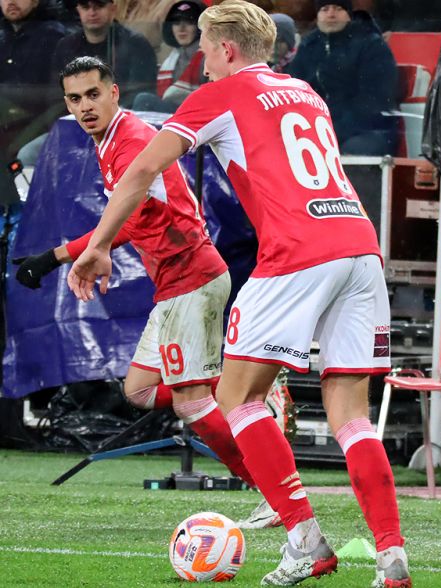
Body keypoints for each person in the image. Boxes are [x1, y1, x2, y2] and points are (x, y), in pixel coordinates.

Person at [64, 2, 411, 586]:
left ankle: (305, 539)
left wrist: (97, 245)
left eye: (204, 46)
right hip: (358, 245)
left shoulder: (219, 93)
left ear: (226, 48)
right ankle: (392, 558)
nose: (200, 58)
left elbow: (144, 170)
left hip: (297, 253)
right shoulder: (305, 91)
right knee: (352, 415)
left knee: (237, 398)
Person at [13, 56, 282, 529]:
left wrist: (61, 255)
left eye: (93, 94)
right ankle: (251, 393)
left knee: (190, 403)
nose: (84, 107)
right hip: (174, 283)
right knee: (138, 391)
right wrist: (70, 254)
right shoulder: (109, 140)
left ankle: (272, 491)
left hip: (192, 276)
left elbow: (132, 217)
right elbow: (134, 217)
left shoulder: (133, 140)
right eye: (75, 99)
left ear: (114, 92)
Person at [288, 0, 400, 156]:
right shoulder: (308, 46)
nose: (331, 14)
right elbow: (294, 93)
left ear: (348, 15)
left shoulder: (371, 44)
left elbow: (375, 101)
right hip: (318, 130)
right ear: (318, 15)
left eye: (338, 9)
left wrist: (333, 130)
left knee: (353, 149)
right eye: (325, 9)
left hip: (367, 130)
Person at [52, 0, 157, 108]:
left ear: (113, 9)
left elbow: (137, 94)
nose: (92, 12)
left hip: (120, 117)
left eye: (100, 5)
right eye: (85, 7)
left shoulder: (136, 44)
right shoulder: (66, 46)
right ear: (78, 10)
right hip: (74, 118)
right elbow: (55, 93)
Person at [0, 0, 66, 161]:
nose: (12, 2)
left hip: (38, 120)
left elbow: (54, 97)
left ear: (35, 2)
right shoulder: (3, 35)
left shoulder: (53, 37)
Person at [133, 0, 206, 113]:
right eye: (176, 22)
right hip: (174, 115)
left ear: (200, 27)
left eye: (189, 21)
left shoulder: (207, 56)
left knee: (143, 100)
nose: (181, 28)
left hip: (195, 114)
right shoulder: (172, 57)